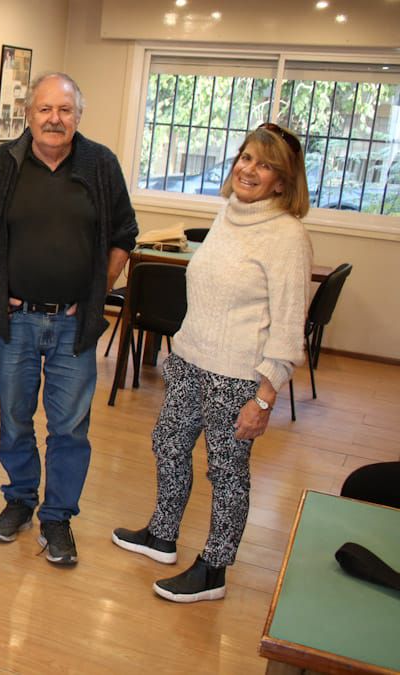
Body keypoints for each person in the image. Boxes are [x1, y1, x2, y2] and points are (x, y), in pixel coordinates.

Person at [113, 123, 312, 602]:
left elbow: (288, 331)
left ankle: (214, 570)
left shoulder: (287, 237)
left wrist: (263, 400)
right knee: (169, 445)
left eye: (265, 165)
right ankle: (162, 535)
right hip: (189, 360)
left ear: (282, 182)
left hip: (238, 377)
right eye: (246, 158)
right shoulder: (227, 215)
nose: (250, 170)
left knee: (226, 472)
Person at [0, 72, 137, 565]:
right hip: (16, 320)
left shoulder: (101, 164)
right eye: (45, 109)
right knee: (14, 416)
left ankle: (58, 517)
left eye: (64, 111)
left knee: (69, 427)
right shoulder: (3, 163)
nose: (54, 119)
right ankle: (20, 500)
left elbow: (125, 235)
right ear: (28, 115)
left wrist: (96, 294)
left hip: (74, 325)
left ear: (77, 117)